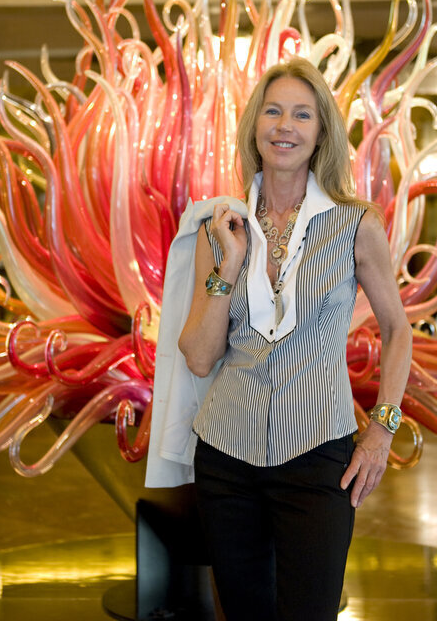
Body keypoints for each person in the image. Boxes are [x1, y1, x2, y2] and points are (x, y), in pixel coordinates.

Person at [177, 57, 413, 620]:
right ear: (254, 125)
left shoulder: (356, 224)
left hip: (318, 458)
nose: (286, 125)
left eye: (302, 114)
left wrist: (380, 432)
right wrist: (228, 266)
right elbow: (200, 355)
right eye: (274, 111)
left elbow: (399, 328)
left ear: (321, 132)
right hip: (226, 456)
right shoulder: (222, 224)